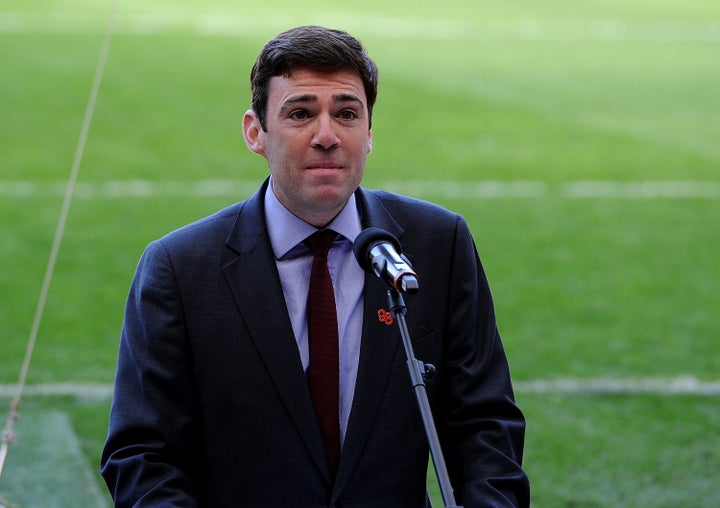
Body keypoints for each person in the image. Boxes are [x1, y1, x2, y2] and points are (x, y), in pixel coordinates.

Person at [101, 25, 530, 507]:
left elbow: (484, 425)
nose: (326, 136)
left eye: (346, 113)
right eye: (301, 113)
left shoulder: (438, 244)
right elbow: (142, 456)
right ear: (255, 132)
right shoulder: (179, 269)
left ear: (368, 133)